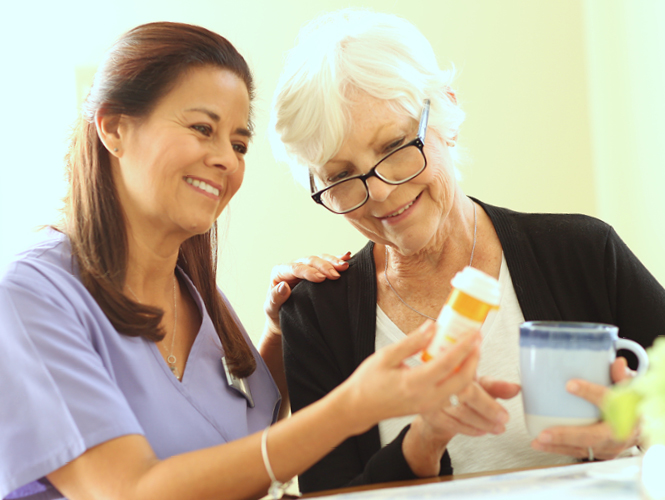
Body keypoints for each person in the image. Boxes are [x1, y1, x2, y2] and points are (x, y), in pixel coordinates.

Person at [0, 22, 482, 500]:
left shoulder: (197, 298)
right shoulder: (30, 296)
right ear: (114, 127)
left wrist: (279, 334)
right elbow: (129, 489)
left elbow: (241, 443)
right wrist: (354, 406)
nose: (227, 160)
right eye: (202, 129)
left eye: (238, 144)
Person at [271, 8, 665, 494]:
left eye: (395, 146)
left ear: (446, 116)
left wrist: (644, 424)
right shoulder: (317, 313)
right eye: (340, 176)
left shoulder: (582, 252)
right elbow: (329, 493)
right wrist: (425, 440)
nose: (379, 193)